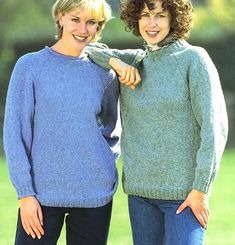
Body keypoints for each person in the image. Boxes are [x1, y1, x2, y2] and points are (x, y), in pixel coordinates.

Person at [87, 0, 228, 244]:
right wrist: (115, 62)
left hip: (184, 196)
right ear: (135, 19)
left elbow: (214, 129)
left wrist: (200, 190)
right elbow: (87, 49)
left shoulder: (193, 60)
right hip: (140, 196)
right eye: (144, 15)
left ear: (174, 19)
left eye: (160, 16)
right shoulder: (135, 60)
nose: (151, 24)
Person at [3, 0, 120, 244]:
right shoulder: (30, 67)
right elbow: (15, 135)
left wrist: (106, 166)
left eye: (91, 22)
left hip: (94, 193)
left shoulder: (104, 72)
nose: (83, 29)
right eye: (76, 20)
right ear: (60, 17)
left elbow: (112, 127)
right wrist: (25, 194)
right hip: (41, 196)